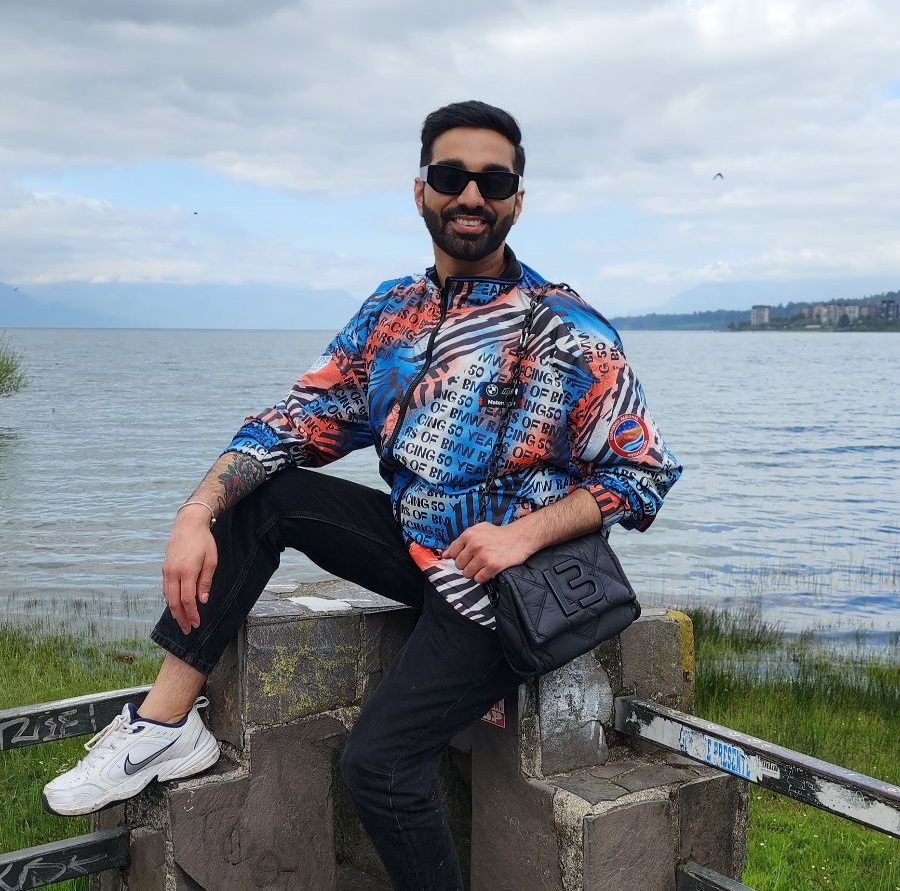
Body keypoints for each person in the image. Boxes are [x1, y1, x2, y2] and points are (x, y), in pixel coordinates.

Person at [43, 101, 681, 889]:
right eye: (451, 176)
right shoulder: (391, 314)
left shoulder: (567, 328)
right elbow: (292, 423)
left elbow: (642, 474)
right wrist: (196, 511)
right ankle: (165, 724)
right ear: (421, 192)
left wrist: (524, 534)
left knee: (379, 767)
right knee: (264, 496)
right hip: (417, 546)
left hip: (507, 588)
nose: (471, 195)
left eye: (493, 181)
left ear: (518, 201)